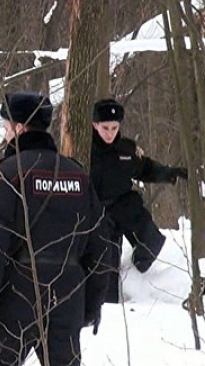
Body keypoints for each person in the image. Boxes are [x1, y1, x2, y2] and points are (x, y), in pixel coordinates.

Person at [0, 92, 110, 366]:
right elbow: (99, 245)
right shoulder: (78, 175)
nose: (6, 134)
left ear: (20, 128)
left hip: (17, 293)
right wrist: (92, 302)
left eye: (7, 128)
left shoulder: (8, 173)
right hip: (67, 293)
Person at [91, 98, 187, 303]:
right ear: (94, 125)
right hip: (98, 212)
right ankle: (109, 310)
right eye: (105, 127)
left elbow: (146, 169)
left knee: (153, 241)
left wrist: (170, 173)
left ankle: (134, 273)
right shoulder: (85, 149)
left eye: (114, 128)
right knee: (106, 265)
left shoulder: (126, 150)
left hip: (126, 206)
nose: (109, 133)